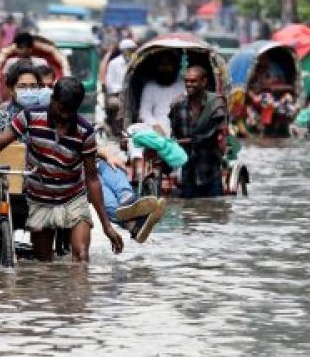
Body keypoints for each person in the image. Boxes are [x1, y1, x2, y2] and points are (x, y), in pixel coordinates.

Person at [0, 77, 124, 262]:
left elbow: (92, 179)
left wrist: (107, 226)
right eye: (61, 109)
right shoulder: (30, 117)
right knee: (44, 262)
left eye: (70, 111)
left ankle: (81, 290)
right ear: (53, 100)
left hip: (73, 198)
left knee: (81, 256)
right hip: (40, 199)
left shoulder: (85, 131)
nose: (65, 116)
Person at [168, 66, 228, 198]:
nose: (189, 85)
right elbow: (174, 131)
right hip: (188, 170)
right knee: (190, 211)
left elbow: (212, 134)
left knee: (214, 208)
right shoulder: (178, 105)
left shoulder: (216, 104)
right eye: (187, 81)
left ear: (204, 82)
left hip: (210, 168)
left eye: (193, 81)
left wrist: (183, 141)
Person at [127, 50, 186, 181]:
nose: (164, 68)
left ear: (176, 66)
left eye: (168, 64)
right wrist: (155, 125)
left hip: (177, 129)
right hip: (154, 130)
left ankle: (178, 173)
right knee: (133, 131)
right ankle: (138, 169)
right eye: (161, 64)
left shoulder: (184, 85)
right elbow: (144, 112)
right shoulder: (150, 87)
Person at [95, 146, 167, 243]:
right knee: (97, 184)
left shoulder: (81, 134)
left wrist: (109, 156)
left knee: (112, 166)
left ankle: (127, 200)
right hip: (80, 176)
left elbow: (97, 148)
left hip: (95, 164)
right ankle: (133, 224)